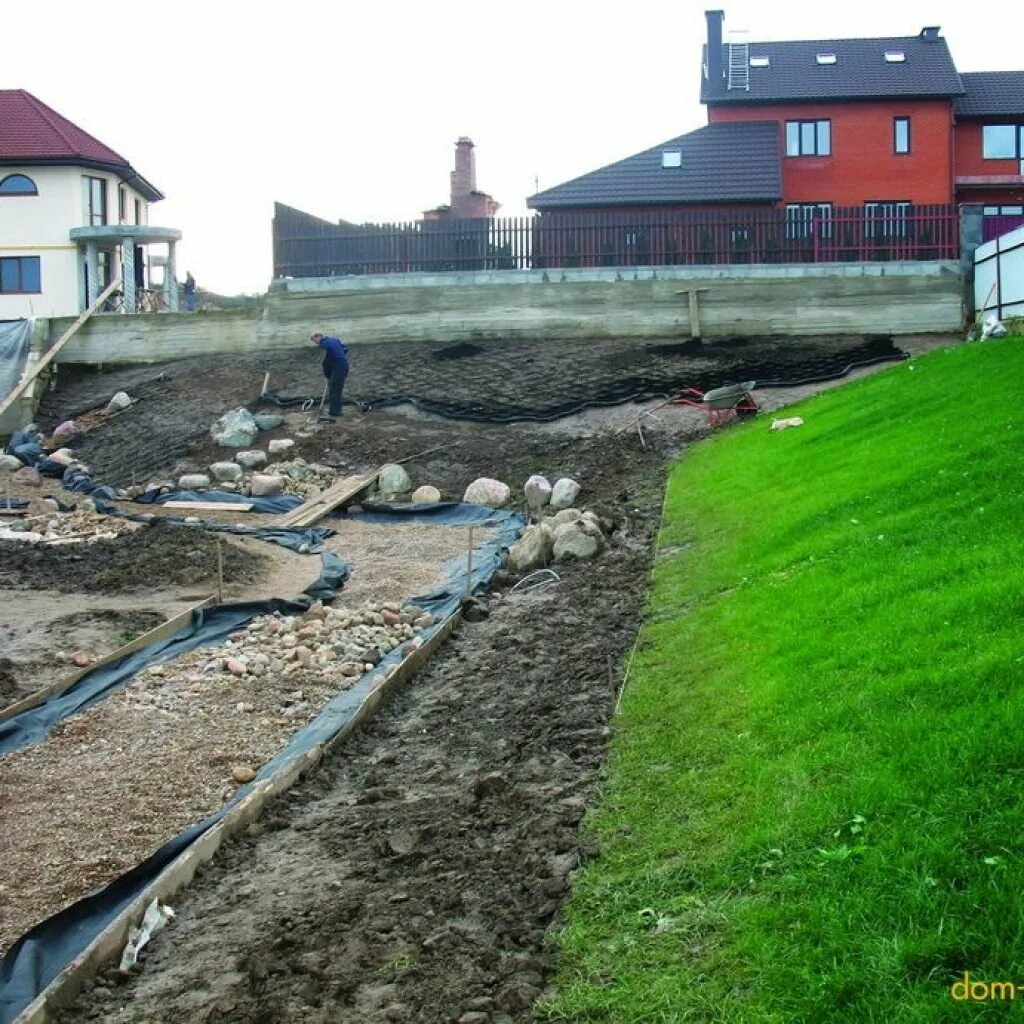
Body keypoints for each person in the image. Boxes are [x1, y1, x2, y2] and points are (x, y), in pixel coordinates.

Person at [311, 331, 349, 421]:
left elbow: (325, 362)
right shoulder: (334, 340)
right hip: (343, 365)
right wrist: (340, 357)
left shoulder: (324, 344)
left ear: (318, 337)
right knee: (336, 387)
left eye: (314, 340)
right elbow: (345, 348)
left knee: (334, 388)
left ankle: (335, 412)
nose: (315, 343)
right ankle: (334, 410)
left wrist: (327, 374)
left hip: (338, 367)